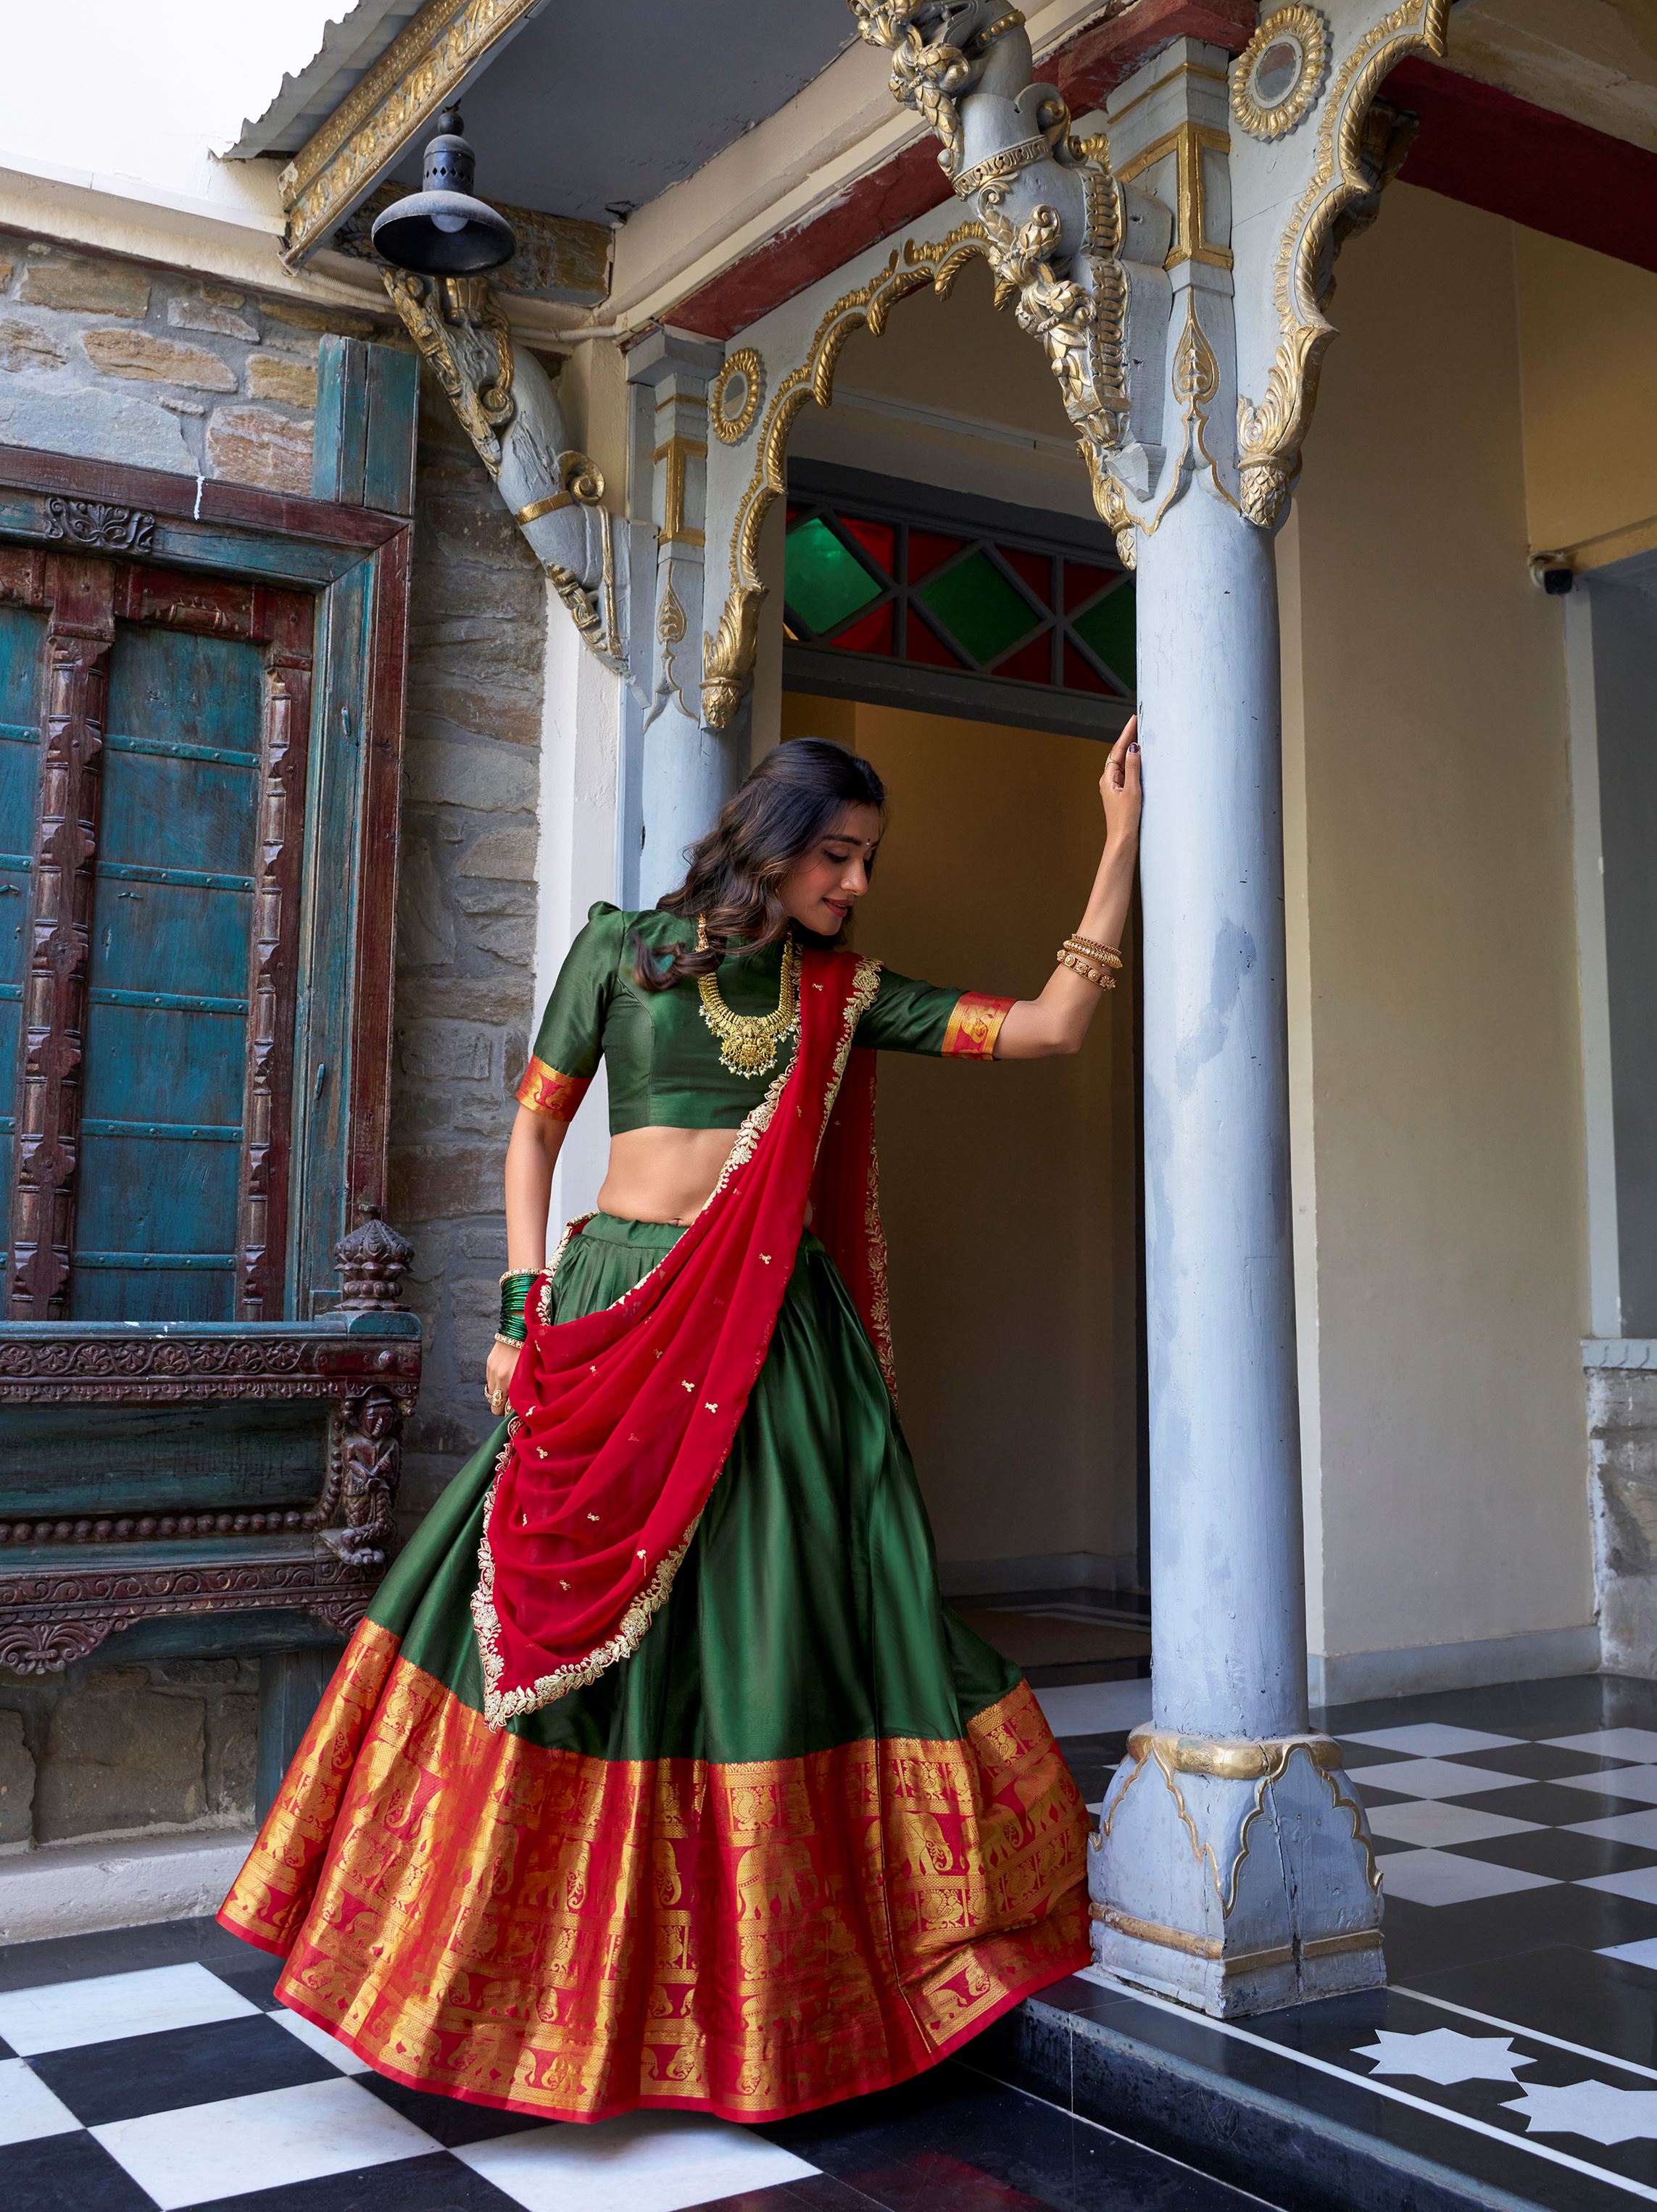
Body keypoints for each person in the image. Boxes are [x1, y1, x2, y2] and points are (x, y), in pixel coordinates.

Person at [222, 723, 1142, 2126]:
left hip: (775, 1342)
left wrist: (1118, 848)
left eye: (868, 861)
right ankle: (504, 1977)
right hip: (609, 1316)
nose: (856, 883)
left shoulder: (846, 988)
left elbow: (1049, 1029)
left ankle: (754, 1995)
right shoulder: (620, 954)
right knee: (547, 1637)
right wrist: (522, 1300)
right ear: (769, 840)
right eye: (838, 855)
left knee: (775, 1638)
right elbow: (535, 1132)